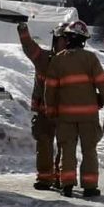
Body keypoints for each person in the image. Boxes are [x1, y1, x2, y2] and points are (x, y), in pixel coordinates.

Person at [44, 20, 104, 198]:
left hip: (66, 115)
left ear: (67, 38)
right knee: (89, 150)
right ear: (83, 40)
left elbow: (50, 88)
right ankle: (90, 186)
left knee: (67, 149)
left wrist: (50, 109)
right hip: (88, 115)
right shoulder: (90, 59)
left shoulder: (57, 60)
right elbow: (102, 83)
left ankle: (67, 185)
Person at [18, 21, 68, 190]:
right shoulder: (43, 59)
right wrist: (23, 31)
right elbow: (29, 47)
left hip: (65, 113)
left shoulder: (76, 64)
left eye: (68, 40)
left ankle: (61, 178)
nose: (65, 43)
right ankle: (45, 178)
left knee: (65, 146)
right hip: (44, 112)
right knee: (44, 144)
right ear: (56, 41)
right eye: (63, 40)